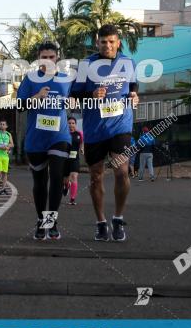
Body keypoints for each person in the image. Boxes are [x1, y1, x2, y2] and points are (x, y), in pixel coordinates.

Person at [71, 24, 138, 242]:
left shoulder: (128, 63)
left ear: (118, 42)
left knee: (121, 171)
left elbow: (133, 88)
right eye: (103, 42)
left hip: (120, 125)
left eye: (111, 41)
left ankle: (118, 218)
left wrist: (135, 97)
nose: (107, 45)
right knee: (96, 176)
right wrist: (91, 94)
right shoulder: (86, 65)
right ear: (97, 43)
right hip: (95, 129)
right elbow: (75, 96)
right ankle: (101, 222)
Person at [18, 41, 72, 240]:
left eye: (51, 57)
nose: (48, 61)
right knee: (40, 182)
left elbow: (81, 98)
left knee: (57, 176)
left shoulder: (67, 79)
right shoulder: (31, 79)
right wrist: (37, 96)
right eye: (44, 57)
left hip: (60, 135)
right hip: (36, 138)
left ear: (57, 57)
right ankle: (41, 220)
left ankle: (51, 221)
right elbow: (19, 106)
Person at [62, 116, 83, 205]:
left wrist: (82, 148)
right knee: (65, 180)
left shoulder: (79, 134)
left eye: (73, 123)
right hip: (64, 159)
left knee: (74, 176)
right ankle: (66, 186)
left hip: (74, 159)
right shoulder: (63, 133)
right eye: (69, 123)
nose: (71, 125)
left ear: (75, 124)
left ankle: (72, 199)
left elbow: (82, 142)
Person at [0, 120, 14, 194]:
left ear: (6, 126)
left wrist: (8, 146)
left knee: (5, 173)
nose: (2, 125)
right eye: (0, 124)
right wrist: (1, 147)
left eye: (3, 124)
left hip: (5, 156)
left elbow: (12, 144)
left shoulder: (8, 134)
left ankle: (3, 188)